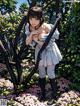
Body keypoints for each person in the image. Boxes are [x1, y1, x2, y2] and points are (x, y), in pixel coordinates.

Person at [25, 5, 62, 102]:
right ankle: (43, 94)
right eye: (31, 18)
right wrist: (32, 35)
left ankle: (54, 95)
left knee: (50, 73)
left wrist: (39, 39)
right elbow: (27, 42)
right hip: (39, 51)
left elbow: (53, 40)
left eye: (36, 19)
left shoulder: (47, 26)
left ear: (40, 18)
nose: (33, 21)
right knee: (41, 73)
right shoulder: (28, 27)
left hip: (49, 51)